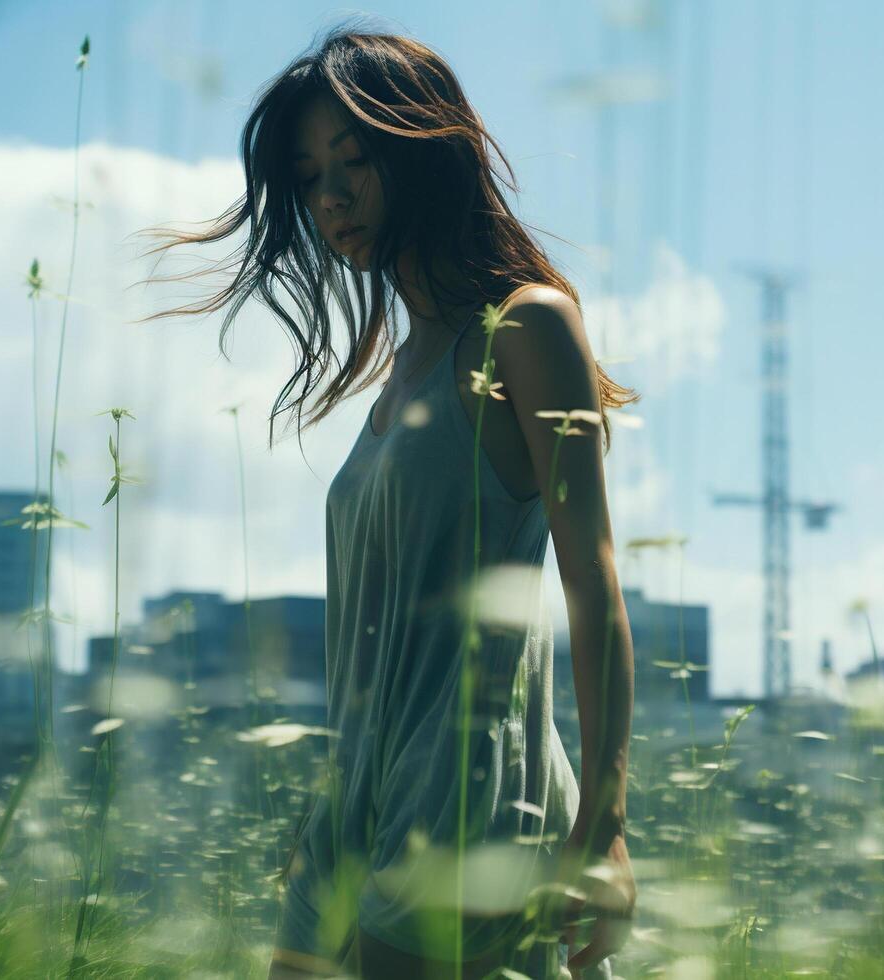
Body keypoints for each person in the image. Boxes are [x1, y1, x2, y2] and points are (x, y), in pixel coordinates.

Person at [140, 22, 637, 979]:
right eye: (309, 174)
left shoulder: (526, 330)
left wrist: (606, 827)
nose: (330, 195)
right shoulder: (399, 374)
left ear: (424, 153)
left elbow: (594, 581)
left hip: (462, 792)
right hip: (355, 793)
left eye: (355, 161)